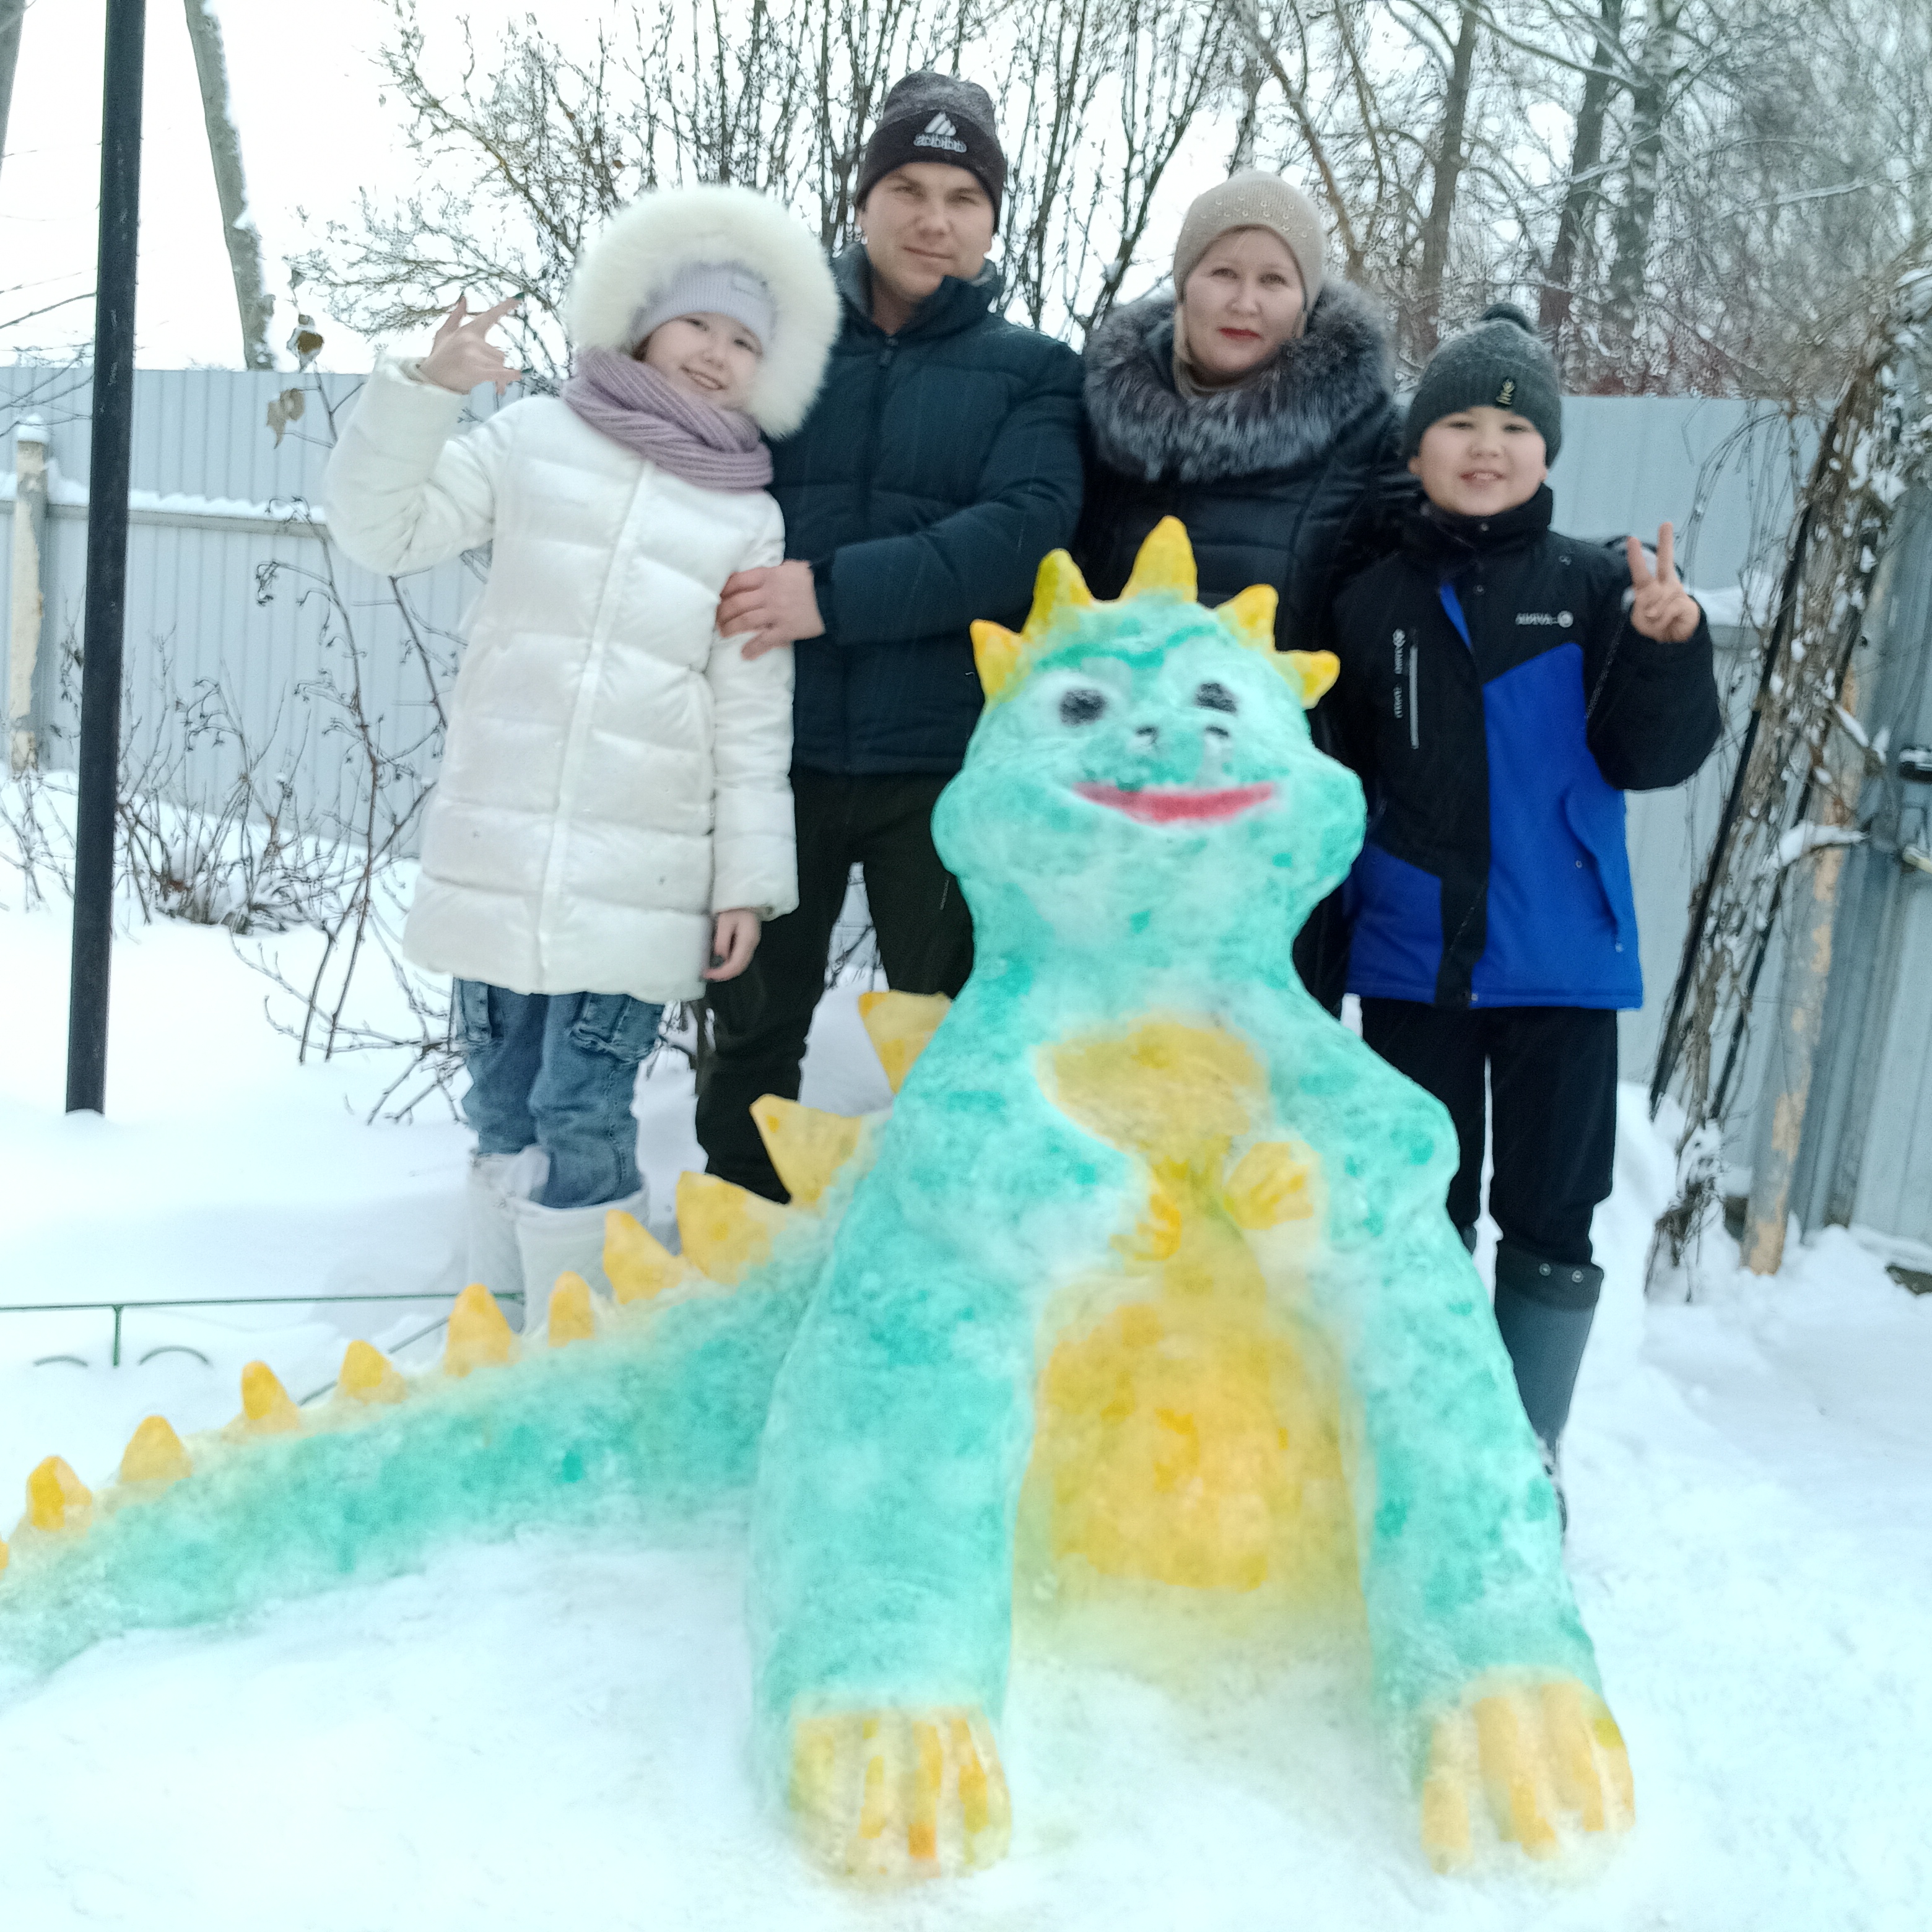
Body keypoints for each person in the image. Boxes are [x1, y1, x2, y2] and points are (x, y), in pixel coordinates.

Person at [326, 185, 839, 1317]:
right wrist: (426, 396)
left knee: (581, 1111)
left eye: (746, 340)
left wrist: (748, 880)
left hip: (642, 875)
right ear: (644, 321)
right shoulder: (532, 438)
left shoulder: (747, 516)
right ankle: (499, 1335)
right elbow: (381, 532)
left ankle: (579, 1358)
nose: (716, 354)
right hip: (501, 848)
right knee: (501, 1102)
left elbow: (752, 716)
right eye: (699, 322)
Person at [1328, 303, 1723, 1489]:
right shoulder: (1367, 598)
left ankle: (1525, 1455)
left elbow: (1652, 757)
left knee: (1553, 1214)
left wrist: (1668, 646)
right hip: (1413, 960)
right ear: (1417, 451)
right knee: (1422, 1205)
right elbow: (1342, 772)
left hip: (1562, 958)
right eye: (1459, 421)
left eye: (1513, 423)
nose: (1487, 444)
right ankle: (1434, 1453)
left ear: (1547, 450)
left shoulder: (1602, 588)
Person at [694, 72, 1086, 1202]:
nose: (933, 219)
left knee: (949, 1040)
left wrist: (835, 594)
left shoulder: (1035, 373)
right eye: (907, 188)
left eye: (964, 196)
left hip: (942, 767)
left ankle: (943, 1256)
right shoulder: (776, 346)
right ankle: (738, 1249)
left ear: (993, 218)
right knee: (755, 1033)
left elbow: (1021, 534)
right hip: (777, 754)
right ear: (862, 202)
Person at [1074, 170, 1406, 1003]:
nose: (1245, 301)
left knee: (1254, 1075)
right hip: (1114, 801)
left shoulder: (1369, 440)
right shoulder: (1099, 418)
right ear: (1184, 282)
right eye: (1223, 272)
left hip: (1271, 814)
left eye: (1274, 279)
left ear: (1307, 300)